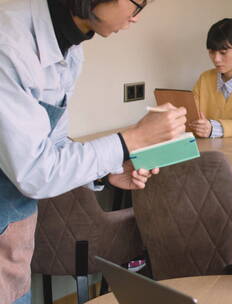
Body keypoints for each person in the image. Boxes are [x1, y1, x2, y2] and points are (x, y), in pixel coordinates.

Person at [0, 0, 187, 303]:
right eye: (137, 4)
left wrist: (110, 169)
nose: (136, 18)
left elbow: (54, 146)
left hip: (15, 234)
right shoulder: (9, 44)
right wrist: (130, 140)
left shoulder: (71, 50)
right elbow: (34, 172)